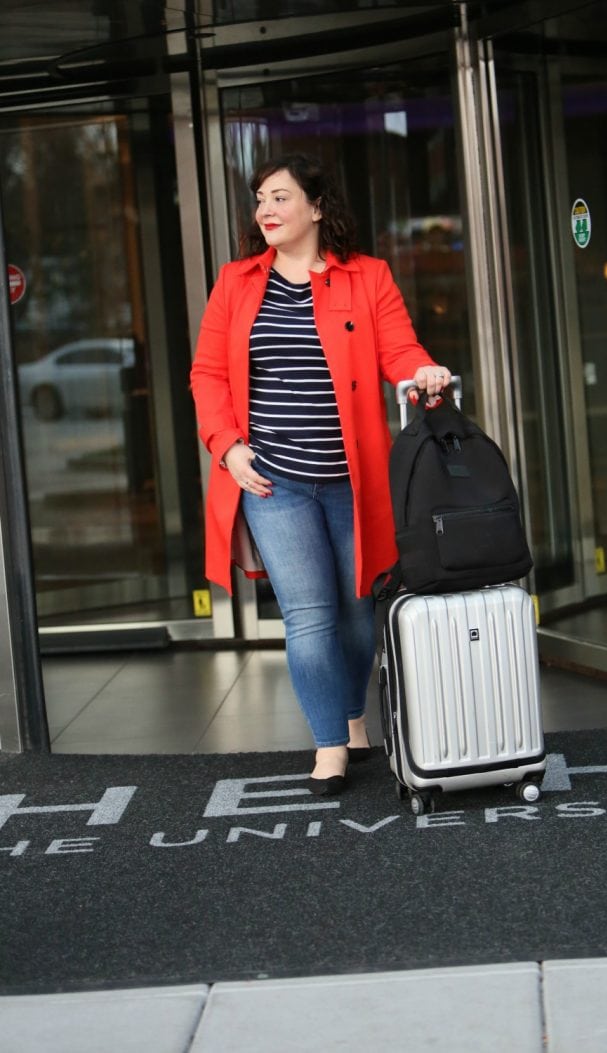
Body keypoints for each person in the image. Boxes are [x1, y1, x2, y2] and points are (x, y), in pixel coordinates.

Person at [190, 153, 451, 795]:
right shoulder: (236, 282)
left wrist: (422, 373)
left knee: (359, 615)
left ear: (315, 207)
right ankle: (330, 746)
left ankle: (353, 714)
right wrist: (227, 447)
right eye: (259, 200)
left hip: (351, 481)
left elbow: (399, 347)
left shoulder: (367, 277)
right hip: (271, 481)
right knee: (309, 617)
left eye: (279, 198)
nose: (265, 211)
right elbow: (208, 374)